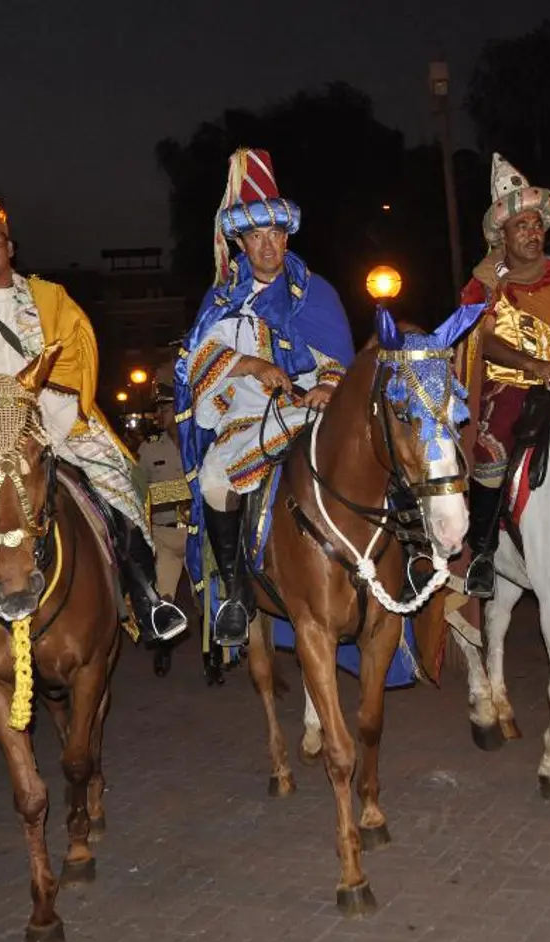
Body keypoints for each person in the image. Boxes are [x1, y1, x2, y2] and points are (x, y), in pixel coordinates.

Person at [0, 163, 186, 675]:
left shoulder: (54, 301)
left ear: (10, 246)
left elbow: (76, 361)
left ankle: (146, 597)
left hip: (52, 425)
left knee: (117, 485)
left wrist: (35, 424)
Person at [176, 148, 354, 646]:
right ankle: (235, 590)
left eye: (275, 234)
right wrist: (254, 365)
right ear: (242, 242)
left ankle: (402, 558)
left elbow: (339, 357)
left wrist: (327, 385)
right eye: (256, 236)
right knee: (214, 478)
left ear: (287, 236)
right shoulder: (221, 299)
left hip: (310, 408)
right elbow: (193, 365)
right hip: (245, 416)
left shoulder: (315, 293)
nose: (267, 245)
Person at [457, 153, 550, 598]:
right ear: (500, 234)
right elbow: (478, 340)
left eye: (537, 224)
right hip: (510, 384)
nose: (532, 233)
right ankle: (482, 552)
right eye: (520, 225)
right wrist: (531, 365)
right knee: (495, 443)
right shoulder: (483, 283)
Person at [139, 364, 188, 608]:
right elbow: (137, 493)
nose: (160, 414)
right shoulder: (149, 448)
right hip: (164, 535)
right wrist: (181, 492)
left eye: (165, 408)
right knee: (162, 603)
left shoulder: (201, 445)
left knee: (210, 603)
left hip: (199, 535)